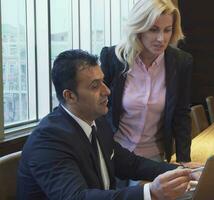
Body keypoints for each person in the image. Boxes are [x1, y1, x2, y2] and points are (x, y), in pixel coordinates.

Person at [16, 49, 197, 200]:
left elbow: (131, 164)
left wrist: (185, 172)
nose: (107, 91)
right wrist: (150, 192)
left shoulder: (98, 123)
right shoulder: (48, 140)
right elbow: (77, 197)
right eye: (95, 86)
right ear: (69, 96)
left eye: (103, 81)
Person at [100, 0, 193, 165]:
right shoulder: (113, 58)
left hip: (154, 157)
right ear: (138, 28)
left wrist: (183, 160)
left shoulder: (181, 62)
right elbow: (98, 109)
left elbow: (181, 114)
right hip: (114, 154)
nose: (161, 39)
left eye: (167, 30)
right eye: (153, 29)